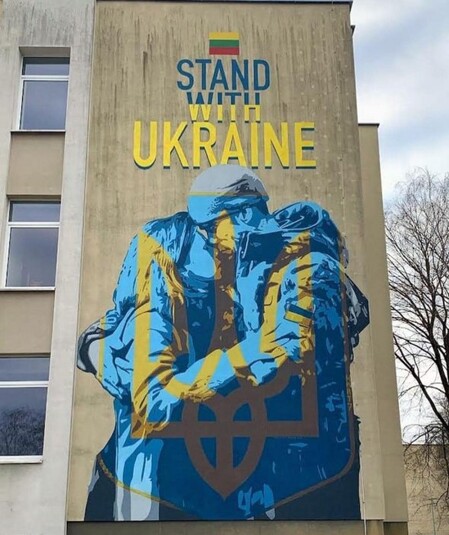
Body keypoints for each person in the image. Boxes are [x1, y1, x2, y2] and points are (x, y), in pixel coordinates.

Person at [78, 164, 369, 521]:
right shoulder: (175, 255)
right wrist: (95, 349)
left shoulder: (304, 268)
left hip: (292, 485)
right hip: (157, 486)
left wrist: (158, 389)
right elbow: (120, 327)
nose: (209, 242)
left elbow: (288, 353)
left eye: (211, 229)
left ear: (244, 215)